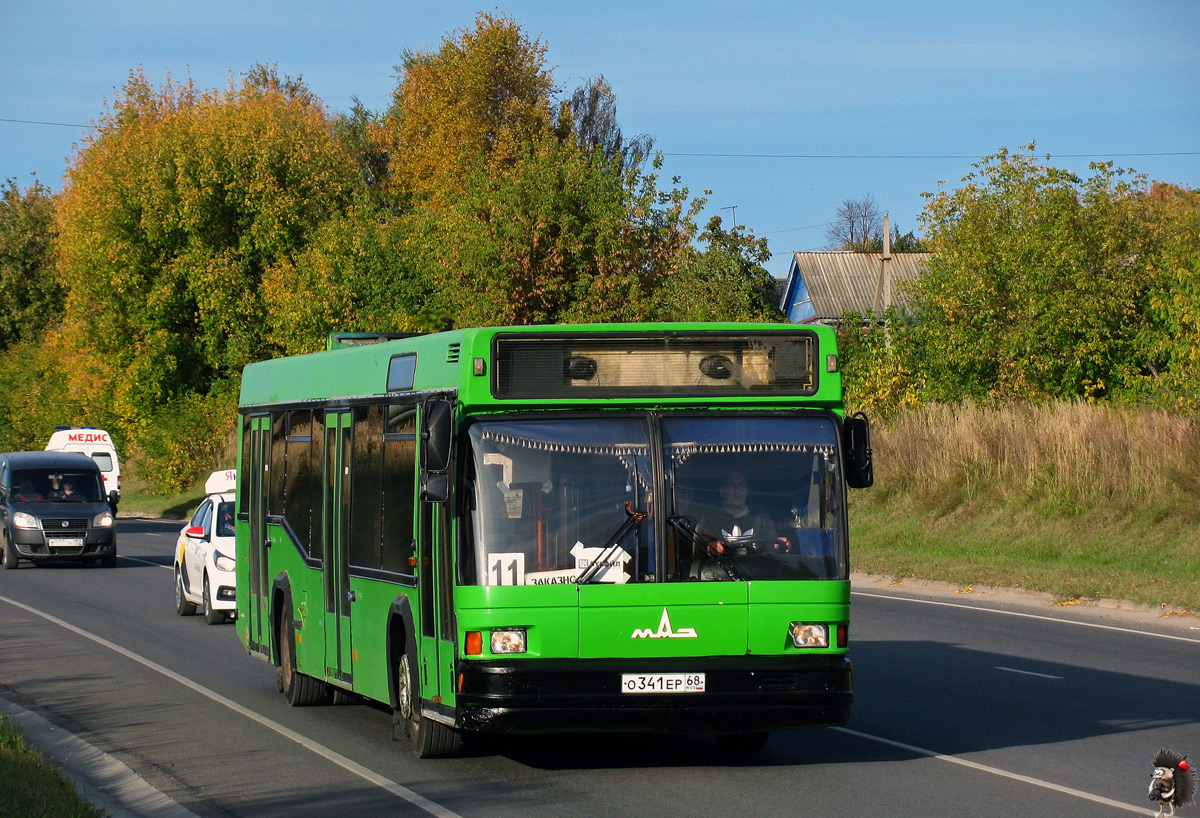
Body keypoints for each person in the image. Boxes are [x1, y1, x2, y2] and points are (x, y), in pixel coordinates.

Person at [695, 469, 790, 557]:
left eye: (742, 485)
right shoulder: (710, 518)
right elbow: (699, 552)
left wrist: (779, 545)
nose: (737, 490)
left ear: (747, 490)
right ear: (722, 490)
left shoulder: (762, 518)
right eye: (731, 485)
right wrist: (711, 547)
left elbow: (772, 551)